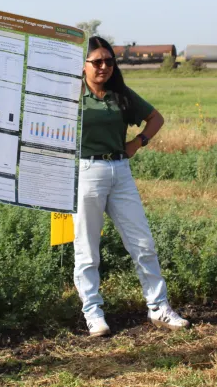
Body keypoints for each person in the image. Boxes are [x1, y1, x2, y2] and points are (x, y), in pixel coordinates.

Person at [73, 36, 190, 337]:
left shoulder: (120, 94)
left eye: (109, 61)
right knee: (87, 250)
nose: (103, 67)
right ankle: (93, 312)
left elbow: (155, 118)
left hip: (120, 172)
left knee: (142, 243)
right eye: (96, 62)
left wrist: (138, 143)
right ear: (83, 65)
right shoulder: (72, 96)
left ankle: (159, 307)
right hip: (86, 172)